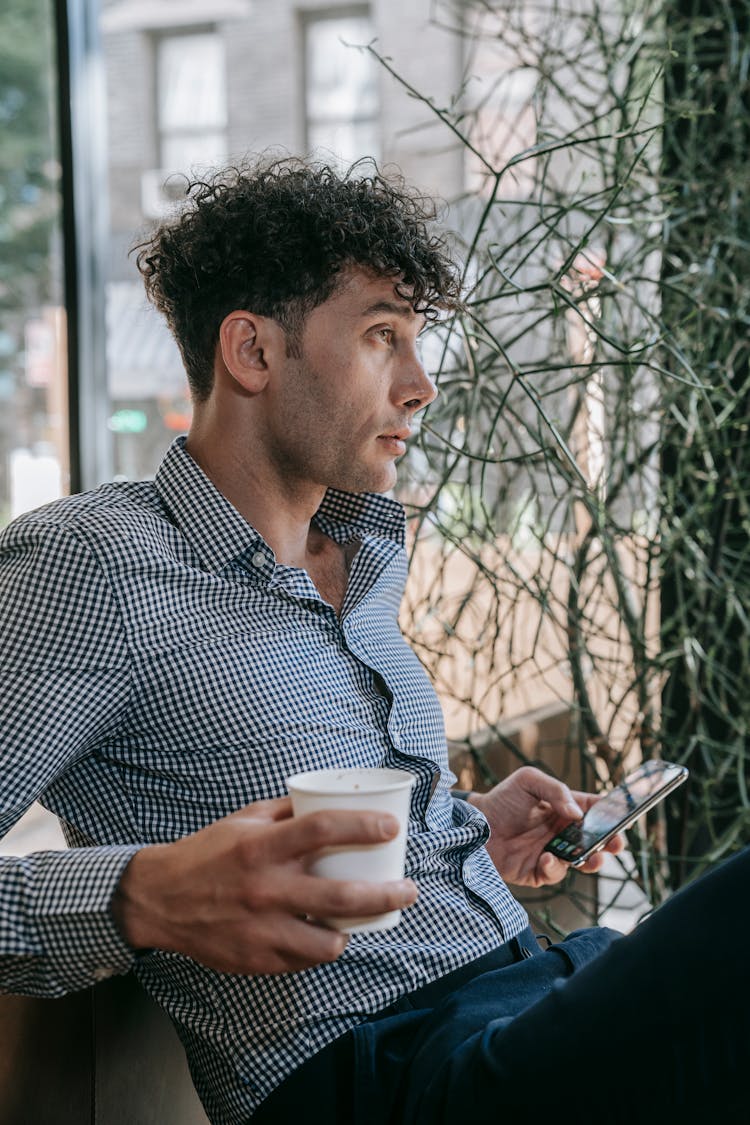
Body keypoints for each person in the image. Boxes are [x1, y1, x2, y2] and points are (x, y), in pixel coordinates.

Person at [0, 157, 747, 1125]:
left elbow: (286, 793)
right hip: (382, 1080)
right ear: (253, 353)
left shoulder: (359, 557)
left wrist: (465, 825)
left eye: (418, 339)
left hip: (519, 998)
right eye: (382, 337)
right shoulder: (90, 564)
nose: (422, 384)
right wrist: (139, 896)